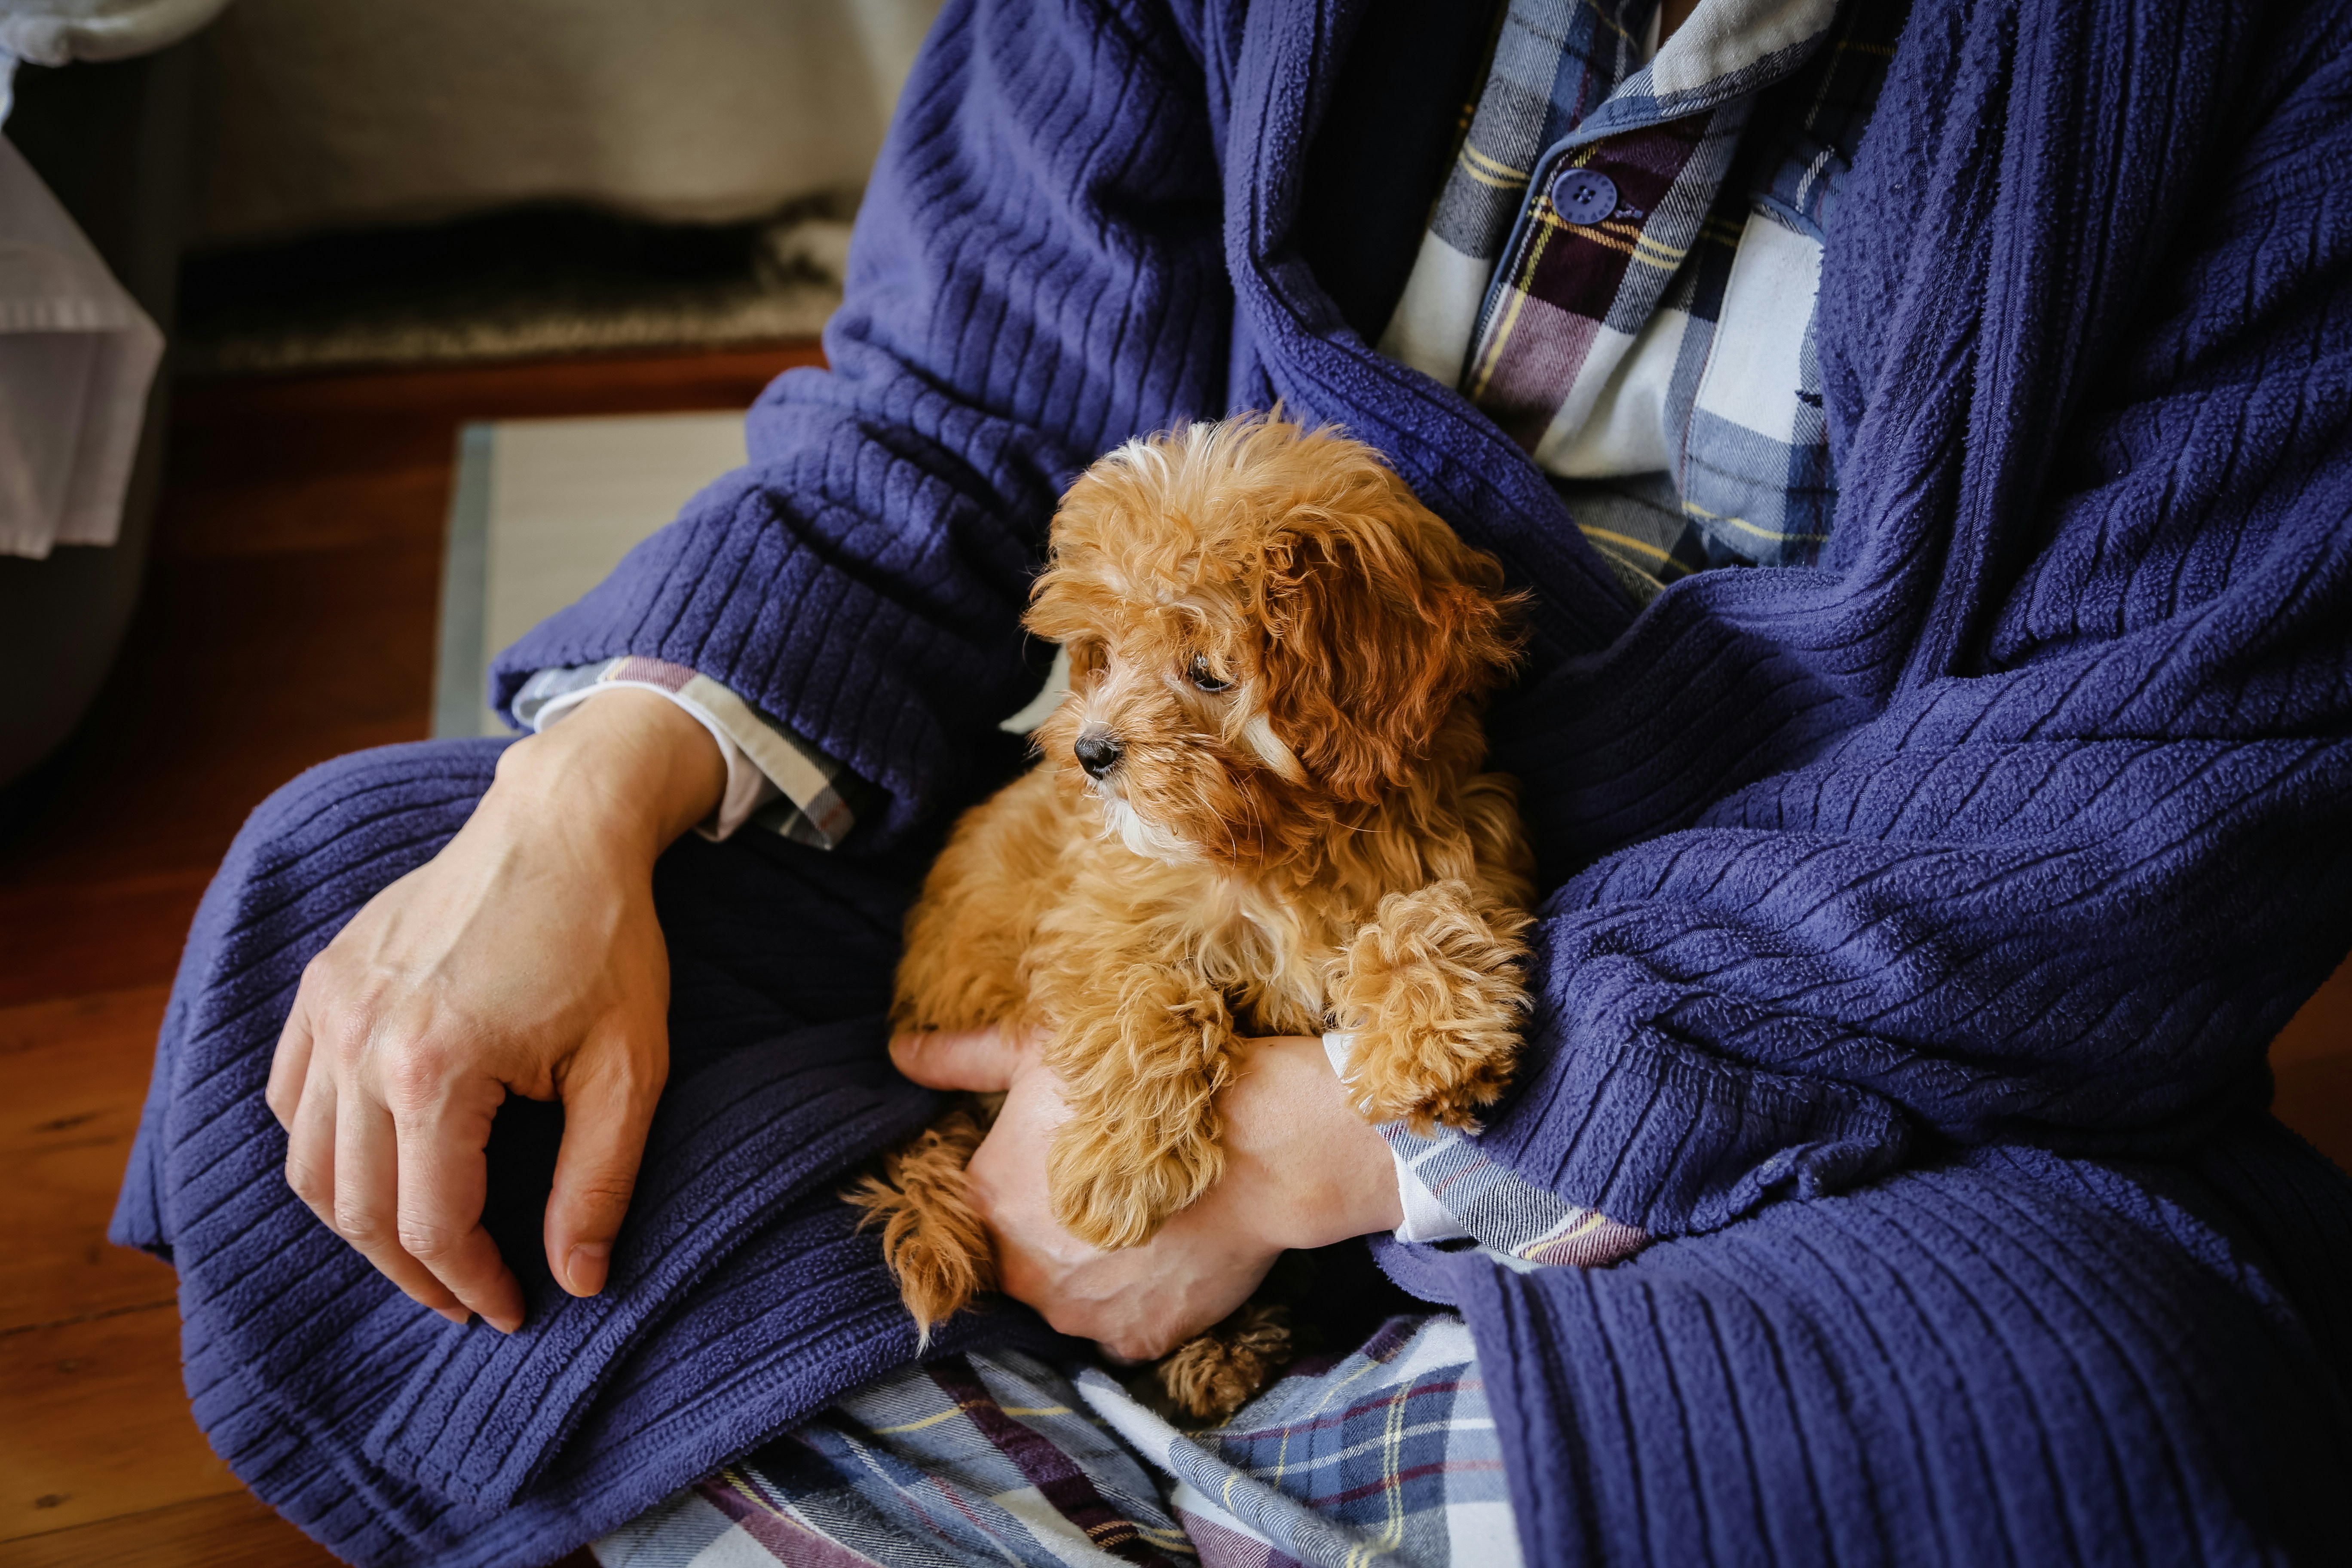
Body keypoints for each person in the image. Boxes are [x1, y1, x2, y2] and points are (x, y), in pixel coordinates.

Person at [113, 0, 2352, 1563]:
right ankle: (1371, 1485)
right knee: (352, 932)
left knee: (2079, 1394)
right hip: (1142, 899)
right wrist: (578, 801)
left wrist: (1312, 1152)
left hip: (1804, 1020)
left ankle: (943, 1472)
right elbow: (957, 421)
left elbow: (2146, 790)